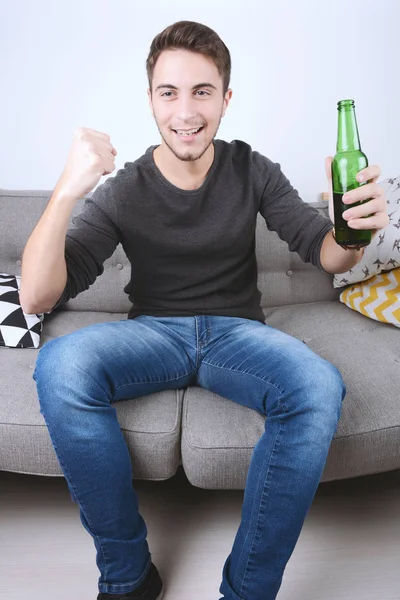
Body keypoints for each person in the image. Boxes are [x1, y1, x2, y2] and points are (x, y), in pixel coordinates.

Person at [20, 20, 389, 600]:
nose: (185, 111)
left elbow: (325, 253)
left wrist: (354, 229)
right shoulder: (124, 188)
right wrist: (68, 189)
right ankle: (127, 575)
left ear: (225, 99)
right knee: (61, 365)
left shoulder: (252, 169)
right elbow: (39, 297)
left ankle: (247, 590)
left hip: (237, 336)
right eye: (169, 93)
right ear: (150, 100)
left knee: (318, 386)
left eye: (202, 91)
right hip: (154, 335)